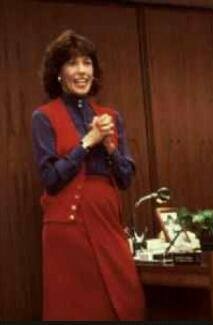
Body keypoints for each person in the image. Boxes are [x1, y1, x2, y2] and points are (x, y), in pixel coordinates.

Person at [31, 30, 145, 320]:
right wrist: (87, 142)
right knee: (78, 309)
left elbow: (124, 178)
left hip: (107, 221)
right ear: (58, 72)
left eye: (87, 63)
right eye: (72, 64)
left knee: (125, 303)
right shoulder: (43, 116)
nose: (81, 71)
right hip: (67, 228)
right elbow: (51, 179)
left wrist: (109, 147)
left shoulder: (111, 116)